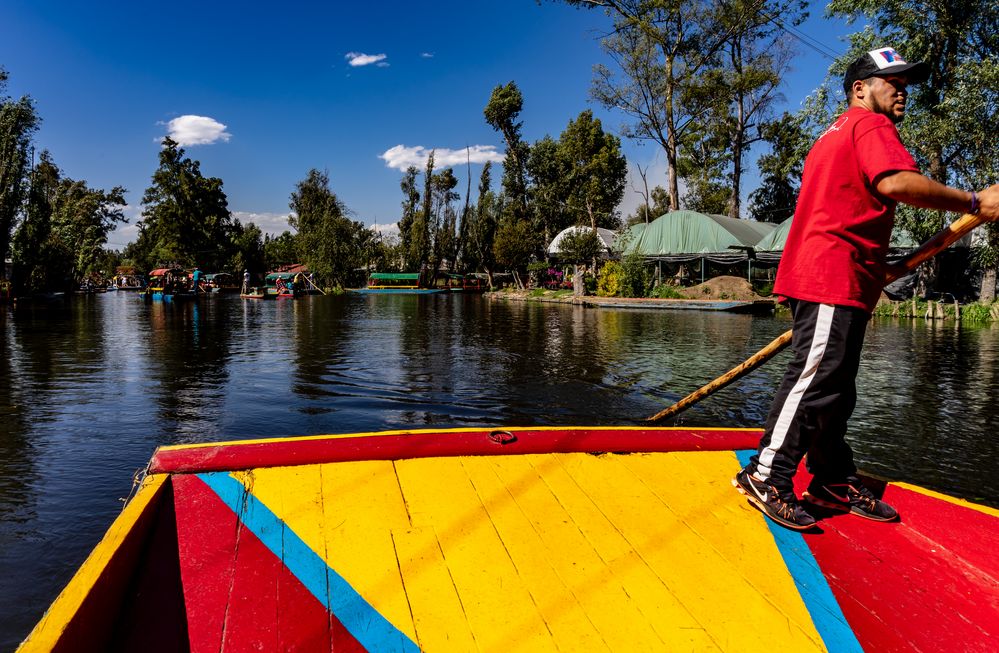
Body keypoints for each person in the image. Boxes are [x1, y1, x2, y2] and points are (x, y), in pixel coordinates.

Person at [733, 46, 999, 531]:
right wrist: (975, 200)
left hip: (845, 275)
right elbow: (896, 183)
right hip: (831, 276)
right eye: (891, 82)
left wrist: (882, 266)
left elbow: (847, 209)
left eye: (905, 83)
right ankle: (766, 475)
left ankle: (831, 475)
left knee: (835, 387)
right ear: (860, 90)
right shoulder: (869, 125)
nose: (901, 91)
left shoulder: (835, 133)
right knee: (816, 378)